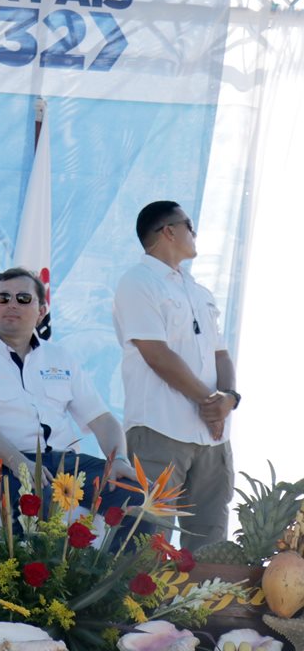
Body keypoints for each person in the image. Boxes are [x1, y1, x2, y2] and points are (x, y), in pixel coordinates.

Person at [0, 268, 139, 526]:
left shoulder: (61, 357)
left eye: (23, 299)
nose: (11, 304)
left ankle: (121, 567)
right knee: (36, 493)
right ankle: (34, 567)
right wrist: (19, 464)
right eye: (3, 298)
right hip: (1, 465)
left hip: (64, 462)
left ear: (41, 311)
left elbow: (103, 420)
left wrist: (120, 460)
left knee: (136, 493)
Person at [113, 201, 236, 549]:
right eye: (190, 226)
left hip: (212, 437)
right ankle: (144, 607)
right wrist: (209, 401)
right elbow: (156, 354)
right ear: (169, 230)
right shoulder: (138, 281)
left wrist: (229, 398)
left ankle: (203, 607)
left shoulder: (198, 290)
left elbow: (221, 354)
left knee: (211, 547)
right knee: (149, 545)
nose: (195, 234)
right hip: (160, 429)